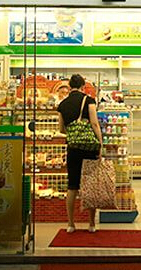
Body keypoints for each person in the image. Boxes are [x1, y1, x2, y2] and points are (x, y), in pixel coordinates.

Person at [57, 74, 102, 233]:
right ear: (83, 86)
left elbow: (61, 129)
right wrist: (100, 143)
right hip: (89, 147)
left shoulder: (62, 104)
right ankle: (91, 224)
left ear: (70, 87)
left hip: (73, 148)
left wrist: (73, 132)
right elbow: (94, 124)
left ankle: (70, 224)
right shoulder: (89, 101)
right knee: (90, 184)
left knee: (72, 185)